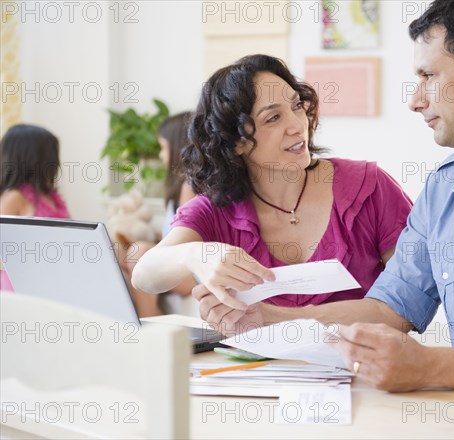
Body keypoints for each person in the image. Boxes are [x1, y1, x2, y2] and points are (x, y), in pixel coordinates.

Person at [194, 0, 454, 391]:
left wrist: (430, 366)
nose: (414, 101)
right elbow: (391, 307)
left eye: (429, 77)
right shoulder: (444, 190)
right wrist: (268, 316)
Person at [131, 54, 413, 315]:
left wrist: (281, 319)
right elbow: (144, 274)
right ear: (237, 142)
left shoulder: (369, 188)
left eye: (296, 106)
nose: (297, 125)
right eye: (274, 117)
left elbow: (408, 304)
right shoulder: (217, 209)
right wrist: (194, 255)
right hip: (254, 368)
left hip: (363, 367)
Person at [118, 112, 197, 317]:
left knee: (140, 252)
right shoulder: (178, 186)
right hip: (179, 262)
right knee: (119, 249)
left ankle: (148, 318)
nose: (161, 155)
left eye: (163, 147)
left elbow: (185, 241)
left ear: (178, 146)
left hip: (192, 269)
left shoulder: (189, 186)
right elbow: (173, 234)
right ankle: (132, 314)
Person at [0, 124, 70, 291]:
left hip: (55, 273)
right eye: (52, 156)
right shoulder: (15, 197)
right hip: (23, 280)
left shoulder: (52, 198)